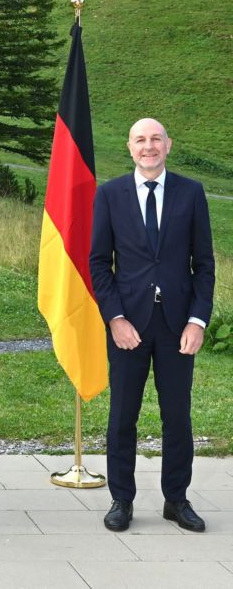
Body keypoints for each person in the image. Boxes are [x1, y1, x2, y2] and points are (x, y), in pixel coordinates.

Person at [90, 118, 214, 533]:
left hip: (177, 326)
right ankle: (121, 499)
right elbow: (98, 265)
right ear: (129, 147)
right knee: (123, 415)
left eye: (156, 139)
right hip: (129, 326)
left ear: (168, 145)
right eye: (141, 140)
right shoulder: (109, 195)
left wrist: (197, 321)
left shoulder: (191, 193)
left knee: (176, 415)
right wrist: (115, 318)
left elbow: (205, 265)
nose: (149, 146)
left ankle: (176, 500)